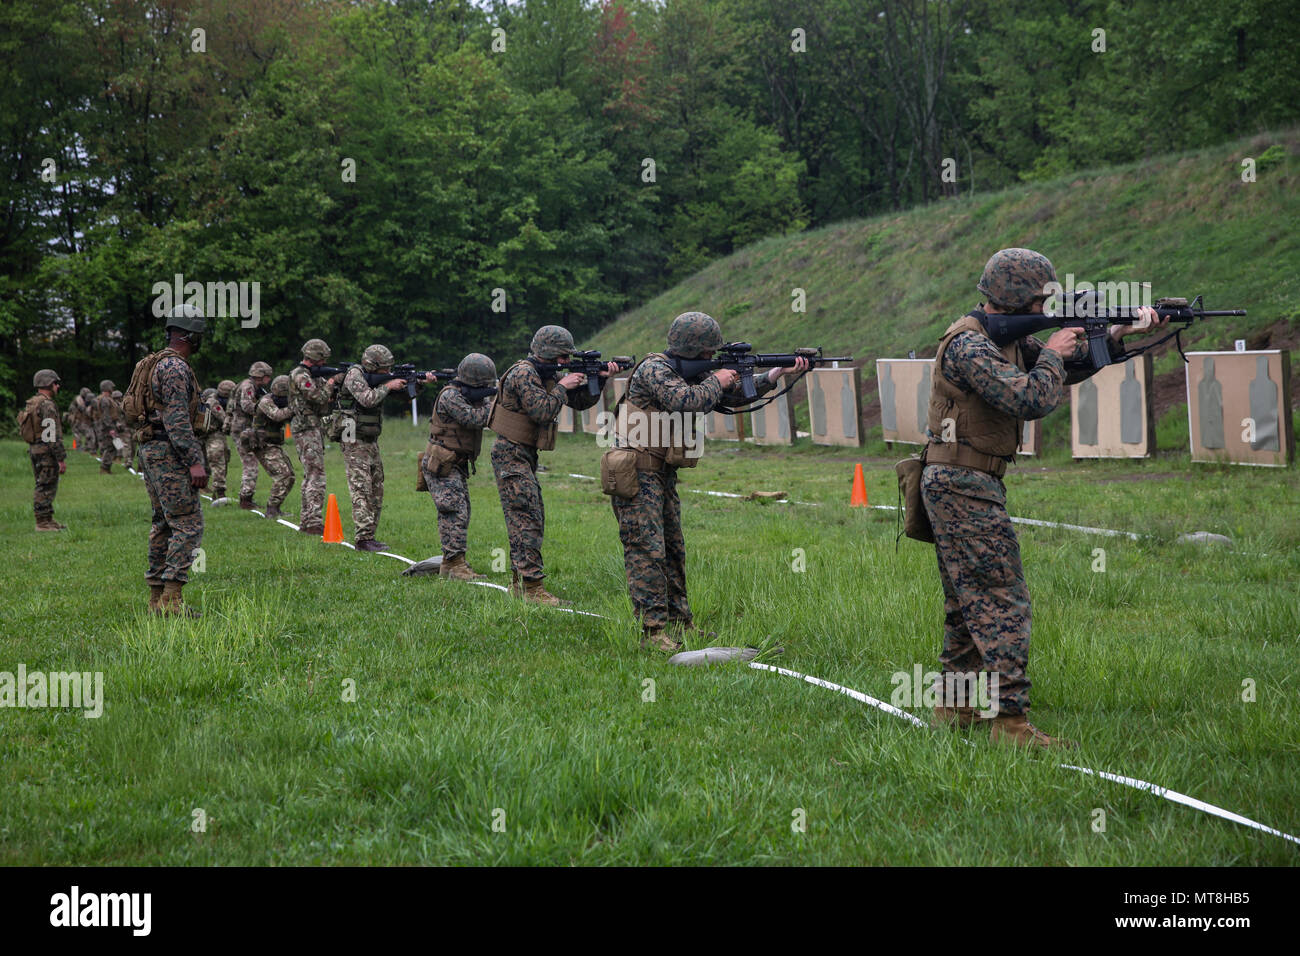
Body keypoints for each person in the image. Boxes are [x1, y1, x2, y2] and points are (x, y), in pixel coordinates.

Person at [921, 247, 1166, 748]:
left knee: (966, 603)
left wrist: (1115, 335)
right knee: (1001, 600)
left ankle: (956, 707)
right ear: (1013, 302)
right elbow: (1030, 397)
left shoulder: (998, 337)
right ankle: (1010, 725)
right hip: (961, 483)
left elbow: (1060, 375)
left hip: (968, 480)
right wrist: (1054, 347)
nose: (1044, 310)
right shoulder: (969, 345)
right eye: (1038, 302)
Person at [610, 312, 807, 650]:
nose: (710, 359)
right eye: (706, 353)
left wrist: (774, 374)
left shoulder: (692, 374)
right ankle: (652, 632)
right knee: (647, 550)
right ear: (693, 349)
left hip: (660, 473)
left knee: (673, 549)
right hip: (636, 470)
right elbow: (687, 401)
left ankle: (679, 622)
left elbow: (728, 398)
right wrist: (719, 378)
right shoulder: (654, 369)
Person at [490, 325, 617, 605]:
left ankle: (522, 584)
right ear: (546, 353)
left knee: (528, 517)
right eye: (561, 358)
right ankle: (532, 589)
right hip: (511, 453)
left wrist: (600, 379)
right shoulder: (524, 373)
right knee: (526, 518)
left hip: (522, 454)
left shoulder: (542, 374)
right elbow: (542, 411)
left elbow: (581, 403)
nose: (564, 363)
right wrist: (562, 386)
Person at [136, 304, 208, 616]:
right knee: (188, 524)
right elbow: (177, 420)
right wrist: (194, 460)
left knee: (162, 522)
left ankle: (156, 598)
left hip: (151, 450)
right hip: (170, 453)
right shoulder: (176, 369)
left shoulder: (149, 363)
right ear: (191, 336)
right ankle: (172, 600)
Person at [336, 344, 435, 551]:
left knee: (376, 487)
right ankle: (363, 539)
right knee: (361, 488)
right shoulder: (354, 374)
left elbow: (403, 396)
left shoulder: (380, 378)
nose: (387, 373)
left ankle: (370, 535)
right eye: (384, 369)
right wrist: (389, 386)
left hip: (370, 440)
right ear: (372, 365)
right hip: (353, 438)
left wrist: (418, 383)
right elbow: (367, 399)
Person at [421, 353, 497, 580]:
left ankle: (452, 563)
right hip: (443, 463)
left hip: (456, 464)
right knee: (454, 512)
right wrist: (496, 403)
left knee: (461, 513)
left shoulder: (471, 396)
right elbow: (474, 419)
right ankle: (454, 565)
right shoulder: (451, 396)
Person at [288, 339, 343, 535]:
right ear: (316, 357)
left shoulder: (308, 374)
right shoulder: (301, 375)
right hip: (306, 428)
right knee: (316, 476)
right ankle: (312, 522)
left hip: (311, 428)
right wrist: (331, 383)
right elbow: (318, 398)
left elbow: (323, 401)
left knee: (311, 474)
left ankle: (308, 519)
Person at [19, 369, 68, 531]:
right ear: (49, 384)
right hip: (46, 452)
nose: (58, 387)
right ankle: (42, 522)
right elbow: (51, 435)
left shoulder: (33, 402)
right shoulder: (47, 405)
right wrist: (60, 458)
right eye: (56, 383)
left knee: (45, 484)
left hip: (35, 449)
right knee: (45, 486)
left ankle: (48, 519)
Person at [248, 375, 297, 519]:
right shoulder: (266, 401)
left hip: (273, 444)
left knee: (291, 476)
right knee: (283, 475)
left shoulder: (278, 400)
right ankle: (271, 509)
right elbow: (277, 415)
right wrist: (295, 407)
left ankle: (275, 508)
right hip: (264, 444)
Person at [232, 362, 273, 509]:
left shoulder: (254, 386)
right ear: (261, 376)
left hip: (246, 428)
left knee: (251, 463)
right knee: (250, 463)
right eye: (267, 376)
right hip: (242, 429)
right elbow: (247, 406)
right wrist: (266, 407)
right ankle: (246, 499)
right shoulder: (248, 386)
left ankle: (246, 498)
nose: (269, 380)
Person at [204, 381, 234, 500]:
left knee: (225, 458)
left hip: (219, 434)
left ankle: (217, 491)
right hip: (211, 435)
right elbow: (223, 418)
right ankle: (219, 491)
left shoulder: (222, 401)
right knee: (218, 460)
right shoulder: (212, 402)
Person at [93, 379, 121, 473]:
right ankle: (105, 467)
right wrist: (111, 428)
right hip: (108, 427)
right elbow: (106, 416)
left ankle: (107, 467)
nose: (113, 389)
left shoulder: (107, 398)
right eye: (111, 387)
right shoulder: (104, 400)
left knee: (116, 446)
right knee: (110, 447)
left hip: (110, 426)